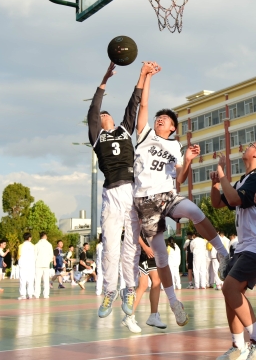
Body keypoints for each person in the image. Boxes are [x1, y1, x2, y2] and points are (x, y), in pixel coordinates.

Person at [131, 65, 230, 327]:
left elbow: (181, 178)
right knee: (161, 257)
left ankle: (223, 253)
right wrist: (146, 76)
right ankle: (174, 302)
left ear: (173, 127)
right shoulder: (145, 135)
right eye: (158, 117)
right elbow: (143, 104)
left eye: (164, 119)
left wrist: (187, 161)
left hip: (167, 194)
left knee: (195, 211)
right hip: (145, 201)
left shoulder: (175, 145)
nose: (159, 119)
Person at [89, 62, 158, 319]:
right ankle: (110, 291)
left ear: (112, 118)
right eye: (100, 117)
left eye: (105, 115)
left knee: (131, 246)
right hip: (111, 194)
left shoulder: (124, 130)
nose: (103, 116)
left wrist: (142, 75)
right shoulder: (97, 136)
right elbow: (93, 110)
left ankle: (129, 288)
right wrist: (104, 80)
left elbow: (134, 103)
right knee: (110, 247)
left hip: (130, 190)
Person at [211, 136, 256, 360]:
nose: (246, 147)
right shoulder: (244, 180)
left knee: (230, 289)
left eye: (250, 145)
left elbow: (234, 200)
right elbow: (218, 203)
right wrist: (216, 183)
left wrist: (222, 173)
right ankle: (238, 346)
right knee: (230, 292)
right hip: (245, 246)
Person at [122, 235, 167, 333]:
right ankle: (129, 316)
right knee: (143, 285)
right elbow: (134, 231)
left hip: (152, 250)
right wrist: (145, 247)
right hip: (141, 251)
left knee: (156, 282)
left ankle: (153, 316)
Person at [34, 231, 54, 299]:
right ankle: (46, 294)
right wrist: (48, 261)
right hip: (46, 264)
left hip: (38, 264)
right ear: (45, 236)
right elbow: (51, 256)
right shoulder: (49, 245)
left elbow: (34, 256)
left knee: (37, 280)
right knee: (46, 280)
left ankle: (37, 294)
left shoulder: (36, 245)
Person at [17, 233, 36, 300]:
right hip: (31, 265)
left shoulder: (21, 246)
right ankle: (30, 294)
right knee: (31, 280)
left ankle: (23, 295)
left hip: (23, 265)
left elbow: (19, 256)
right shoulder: (33, 246)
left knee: (23, 280)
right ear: (29, 238)